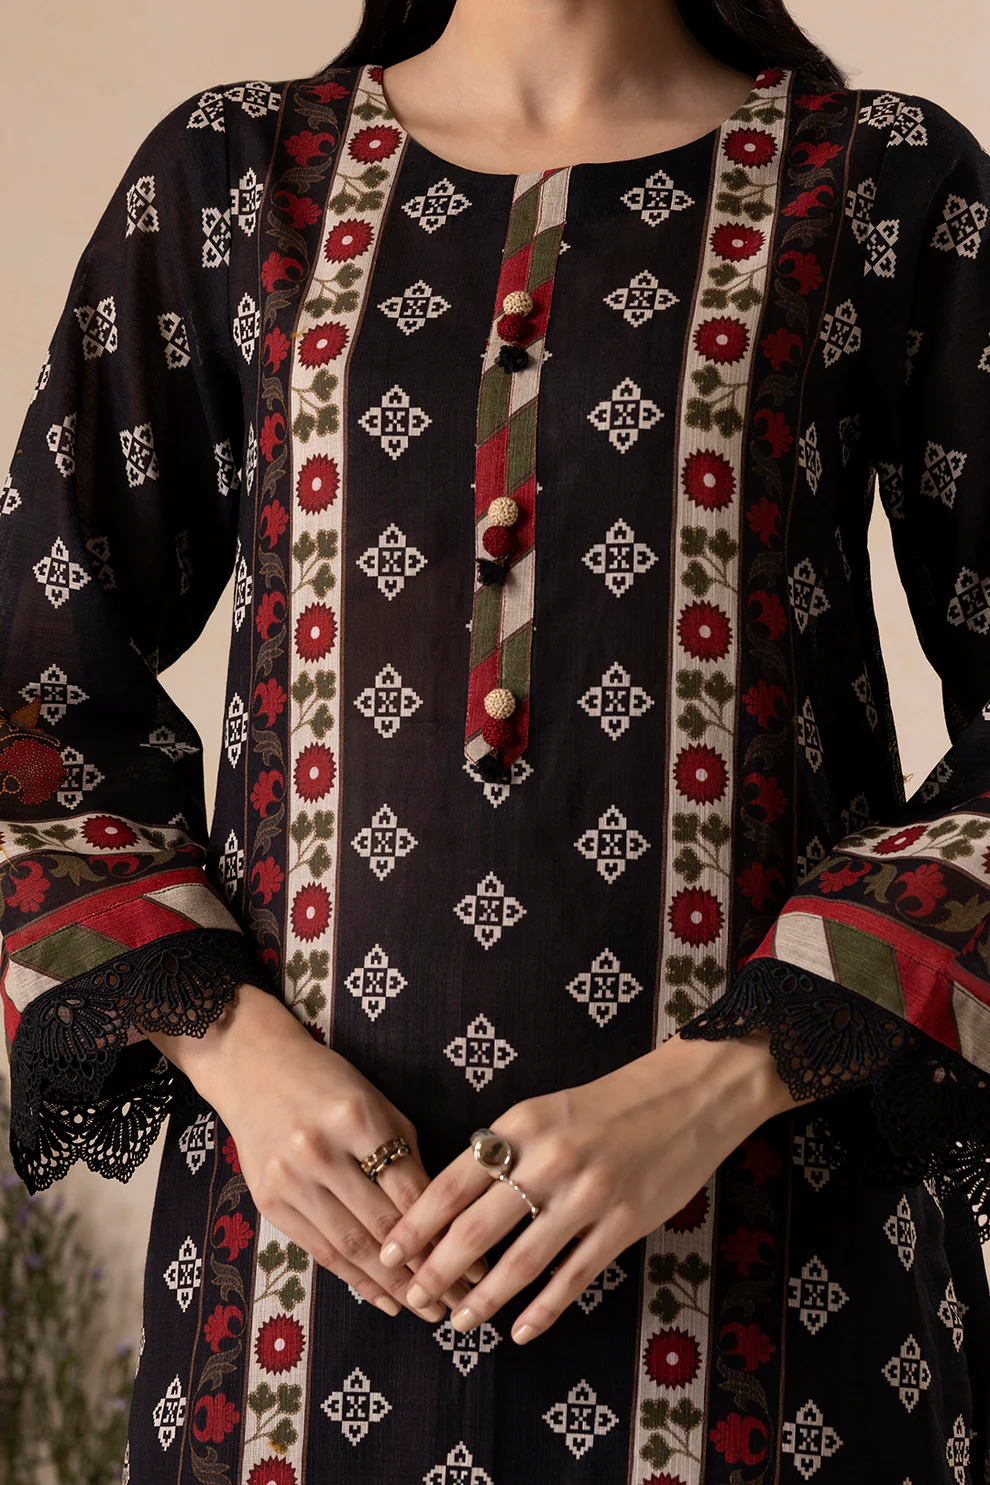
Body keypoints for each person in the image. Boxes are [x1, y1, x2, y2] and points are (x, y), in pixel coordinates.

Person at [2, 0, 989, 1478]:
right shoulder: (234, 178)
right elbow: (35, 698)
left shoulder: (883, 182)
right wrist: (234, 1049)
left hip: (777, 1285)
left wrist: (725, 1079)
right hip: (295, 1303)